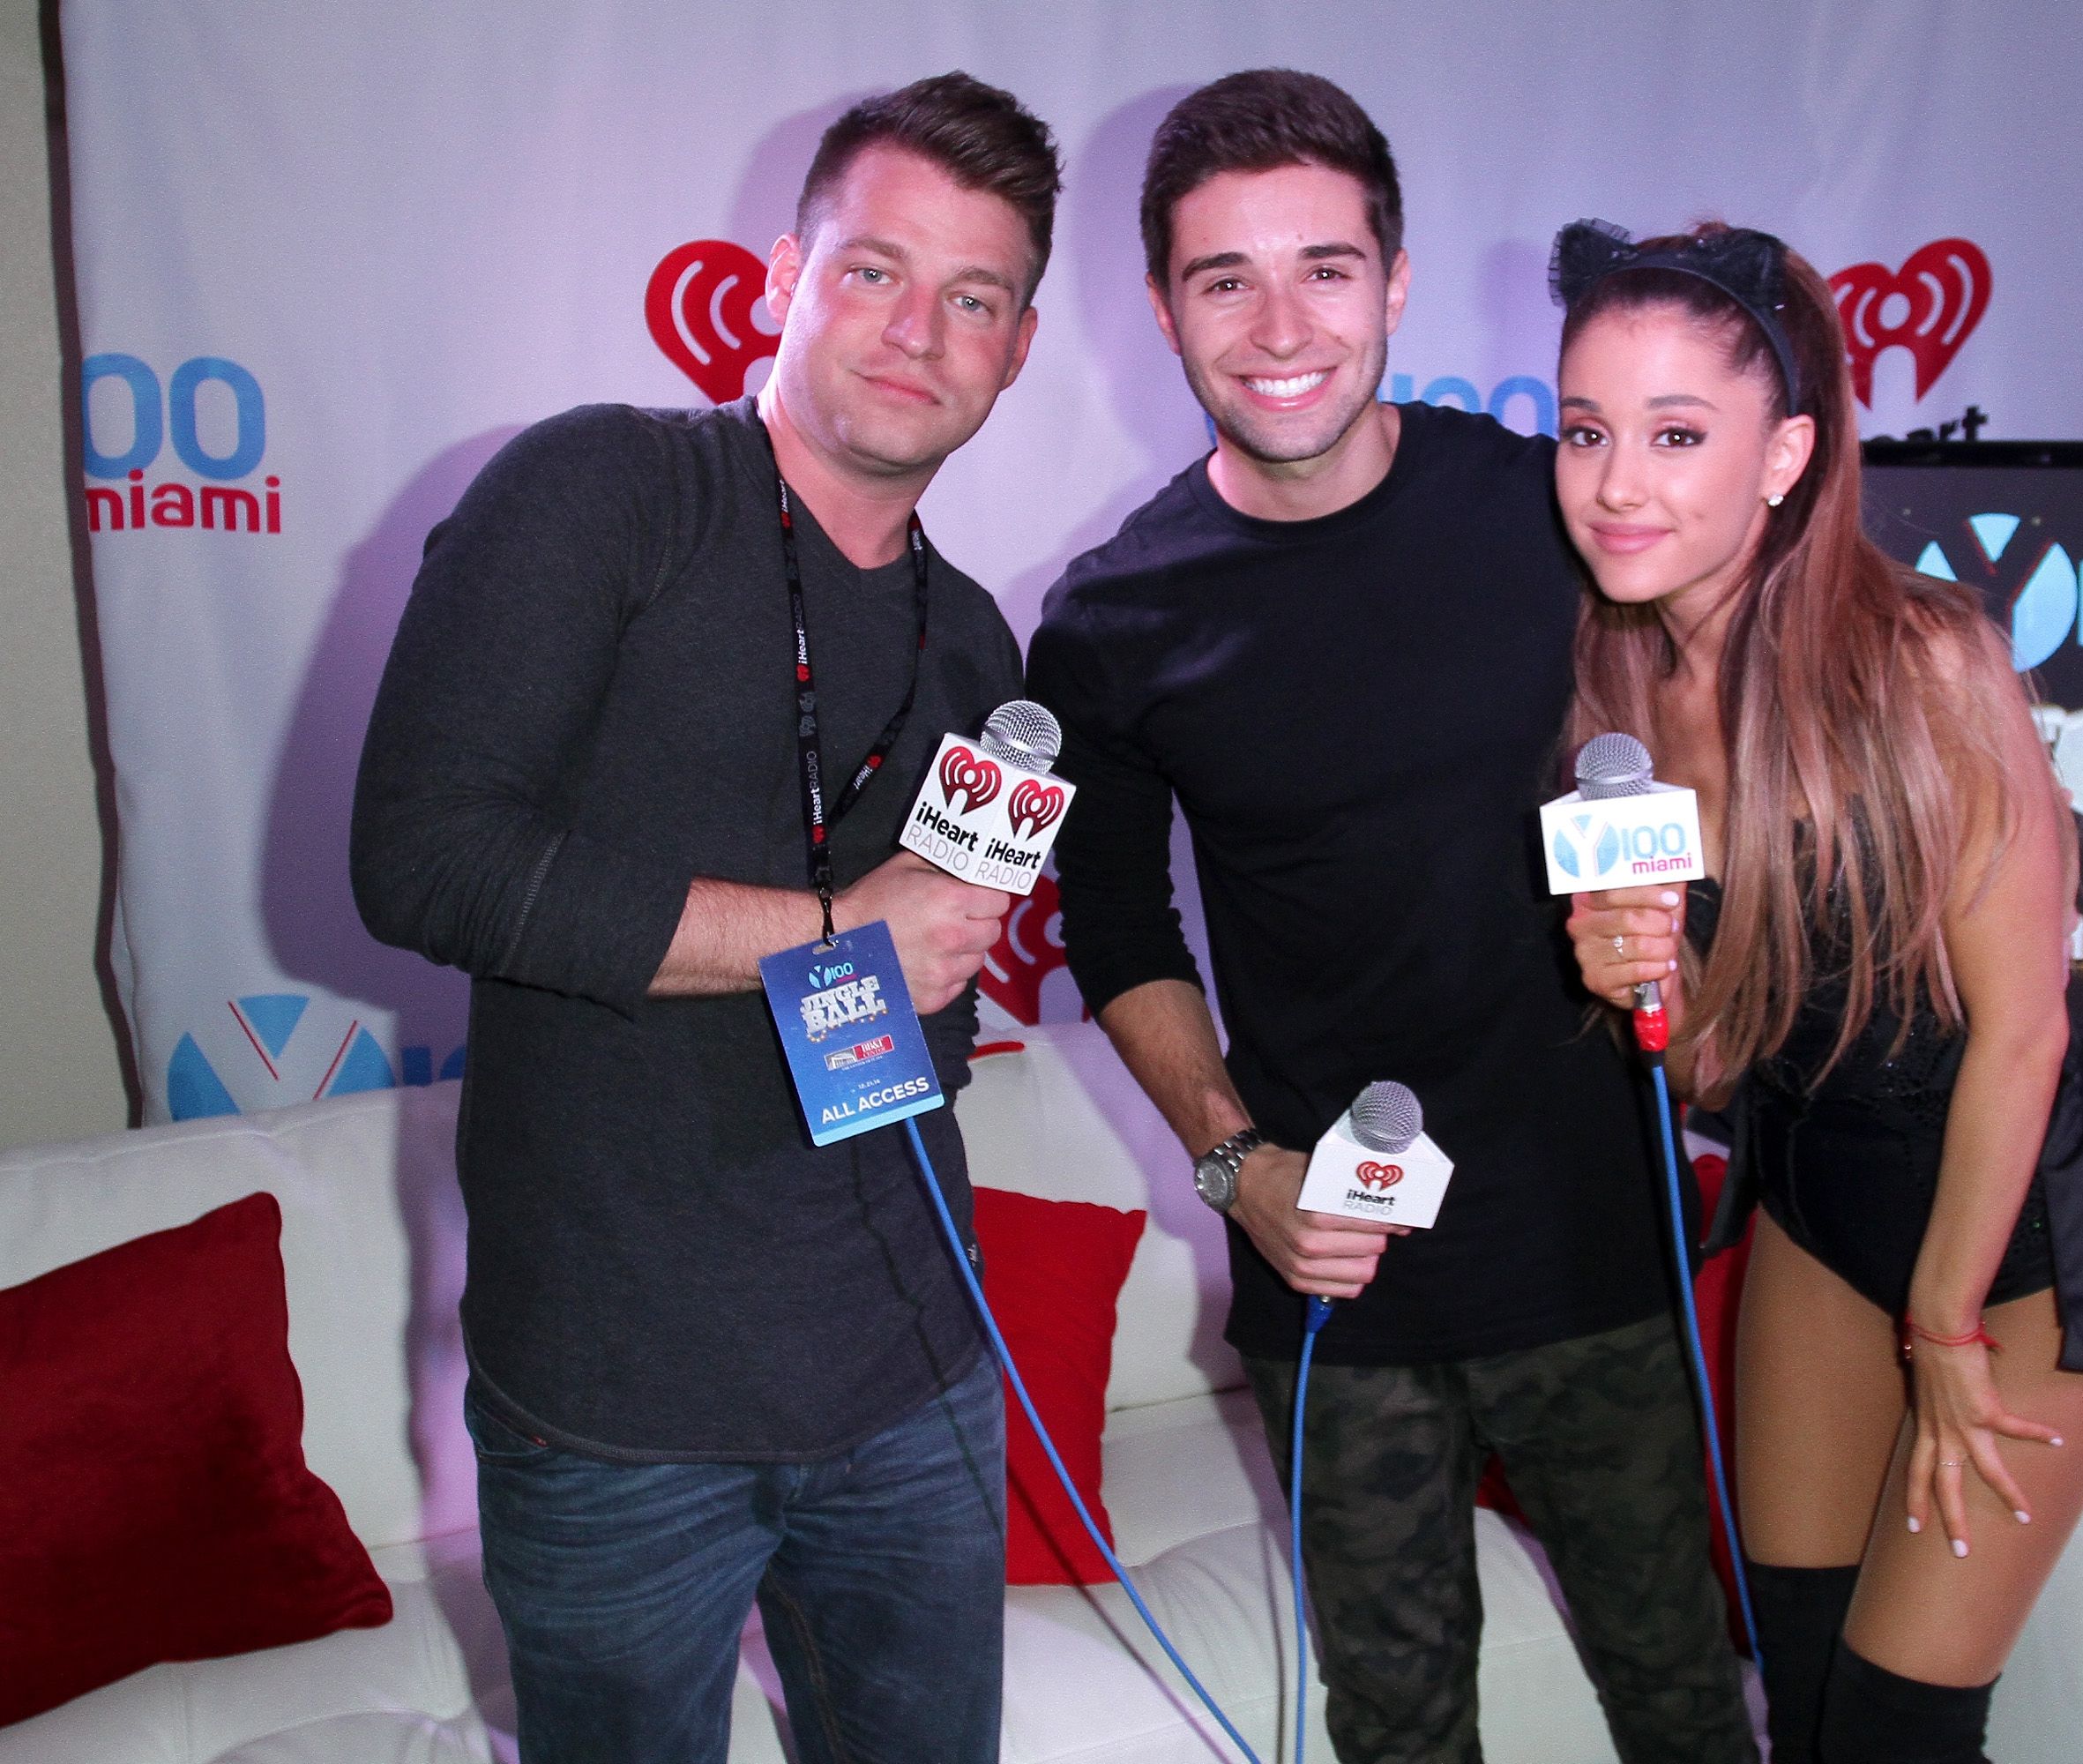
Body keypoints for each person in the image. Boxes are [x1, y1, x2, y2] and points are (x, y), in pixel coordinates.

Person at [1549, 220, 2083, 1763]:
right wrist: (1632, 983)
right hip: (1815, 1212)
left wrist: (1942, 1329)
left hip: (2014, 1257)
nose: (1616, 484)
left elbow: (2024, 1032)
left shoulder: (1924, 663)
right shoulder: (1619, 684)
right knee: (1802, 1699)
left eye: (1676, 434)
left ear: (1786, 454)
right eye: (1586, 431)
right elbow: (1718, 1063)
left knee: (1893, 1738)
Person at [1027, 71, 1755, 1764]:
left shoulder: (1559, 512)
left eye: (1327, 269)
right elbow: (1119, 930)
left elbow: (1733, 739)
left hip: (1600, 1255)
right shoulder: (1112, 619)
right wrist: (1235, 1166)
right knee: (1400, 1737)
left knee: (1689, 1714)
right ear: (1163, 309)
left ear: (1398, 282)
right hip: (1339, 1281)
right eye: (1227, 279)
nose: (1282, 327)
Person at [350, 74, 1058, 1764]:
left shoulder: (975, 643)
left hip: (919, 1382)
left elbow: (924, 1013)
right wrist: (832, 930)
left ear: (1019, 350)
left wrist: (911, 975)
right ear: (783, 279)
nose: (918, 331)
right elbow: (425, 857)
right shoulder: (609, 490)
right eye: (875, 270)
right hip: (618, 1415)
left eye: (974, 299)